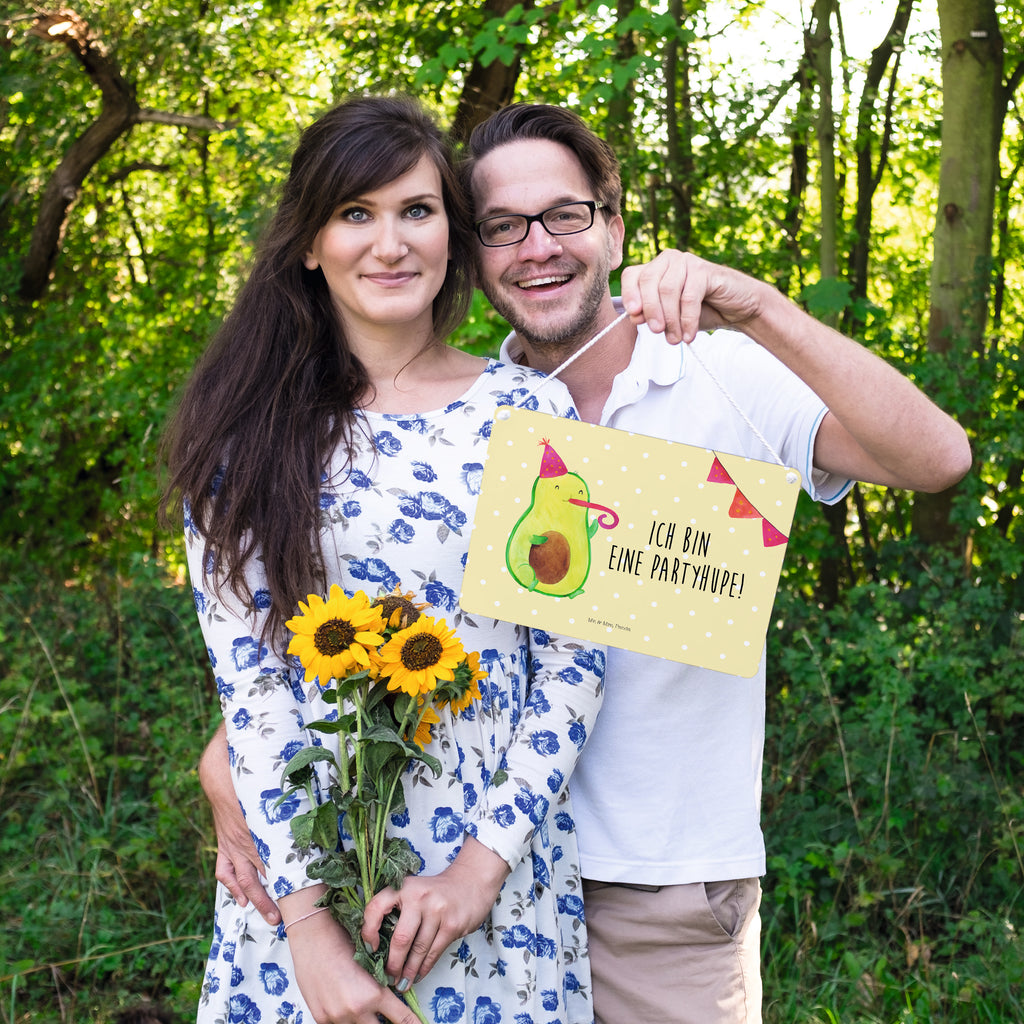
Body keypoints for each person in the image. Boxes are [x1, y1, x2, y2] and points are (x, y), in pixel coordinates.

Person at [202, 102, 972, 1024]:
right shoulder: (460, 416)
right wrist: (234, 770)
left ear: (612, 225)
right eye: (502, 226)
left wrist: (759, 306)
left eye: (565, 215)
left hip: (654, 887)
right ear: (474, 249)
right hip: (426, 876)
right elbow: (332, 633)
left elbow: (938, 461)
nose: (537, 247)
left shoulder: (712, 373)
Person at [163, 96, 609, 1024]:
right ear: (309, 244)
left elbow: (573, 663)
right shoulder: (243, 439)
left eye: (417, 210)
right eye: (355, 214)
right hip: (303, 883)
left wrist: (478, 873)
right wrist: (311, 937)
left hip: (492, 886)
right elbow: (253, 692)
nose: (391, 243)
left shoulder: (534, 414)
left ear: (452, 229)